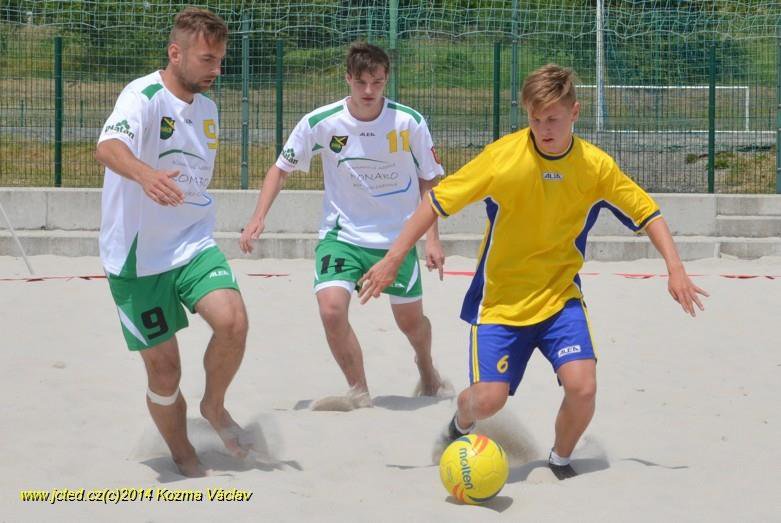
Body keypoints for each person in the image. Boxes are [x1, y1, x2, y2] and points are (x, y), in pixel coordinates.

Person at [357, 63, 709, 478]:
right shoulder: (503, 158)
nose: (544, 127)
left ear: (574, 113)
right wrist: (394, 257)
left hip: (560, 299)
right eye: (535, 118)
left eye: (554, 119)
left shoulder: (595, 167)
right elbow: (435, 203)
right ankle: (459, 424)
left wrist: (676, 268)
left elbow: (647, 212)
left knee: (584, 388)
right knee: (489, 400)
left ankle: (558, 460)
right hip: (500, 304)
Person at [240, 42, 451, 410]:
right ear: (348, 80)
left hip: (396, 240)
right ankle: (360, 392)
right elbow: (280, 168)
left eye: (378, 82)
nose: (369, 91)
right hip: (341, 236)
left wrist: (432, 238)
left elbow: (429, 181)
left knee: (411, 323)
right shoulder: (322, 122)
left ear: (387, 80)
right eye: (362, 82)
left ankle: (426, 366)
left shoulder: (409, 122)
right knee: (332, 310)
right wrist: (258, 216)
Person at [95, 7, 250, 477]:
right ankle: (184, 454)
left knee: (233, 322)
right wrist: (145, 176)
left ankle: (215, 407)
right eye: (207, 59)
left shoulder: (208, 109)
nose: (216, 70)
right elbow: (107, 147)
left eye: (221, 60)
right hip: (137, 258)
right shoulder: (141, 96)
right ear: (175, 52)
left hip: (192, 242)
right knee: (165, 373)